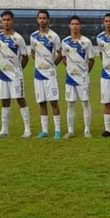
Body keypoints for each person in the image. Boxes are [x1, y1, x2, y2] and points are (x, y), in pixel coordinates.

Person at [0, 10, 31, 138]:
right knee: (4, 101)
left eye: (8, 20)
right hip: (3, 75)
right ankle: (4, 130)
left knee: (20, 99)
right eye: (4, 20)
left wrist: (18, 70)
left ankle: (27, 130)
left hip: (15, 75)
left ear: (12, 21)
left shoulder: (18, 39)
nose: (6, 22)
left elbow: (25, 57)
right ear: (1, 22)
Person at [29, 9, 62, 139]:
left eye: (44, 18)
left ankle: (58, 130)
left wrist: (52, 64)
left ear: (48, 20)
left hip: (50, 75)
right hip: (38, 74)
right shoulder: (33, 36)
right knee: (41, 103)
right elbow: (32, 52)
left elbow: (60, 54)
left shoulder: (54, 36)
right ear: (37, 20)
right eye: (40, 18)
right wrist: (39, 63)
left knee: (53, 102)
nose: (42, 20)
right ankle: (44, 130)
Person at [60, 15, 95, 138]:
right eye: (72, 24)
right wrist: (70, 69)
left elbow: (91, 59)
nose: (74, 26)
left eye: (77, 24)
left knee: (85, 103)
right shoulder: (65, 42)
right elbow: (64, 57)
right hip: (70, 79)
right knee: (70, 104)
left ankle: (87, 130)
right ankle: (70, 130)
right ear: (69, 26)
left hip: (83, 78)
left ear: (80, 26)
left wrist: (84, 72)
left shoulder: (86, 42)